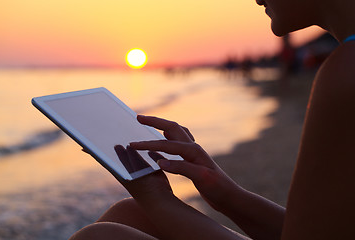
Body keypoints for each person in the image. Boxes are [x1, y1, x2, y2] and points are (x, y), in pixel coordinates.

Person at [69, 0, 355, 238]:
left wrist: (158, 199)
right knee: (130, 212)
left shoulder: (346, 71)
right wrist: (227, 194)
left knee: (99, 237)